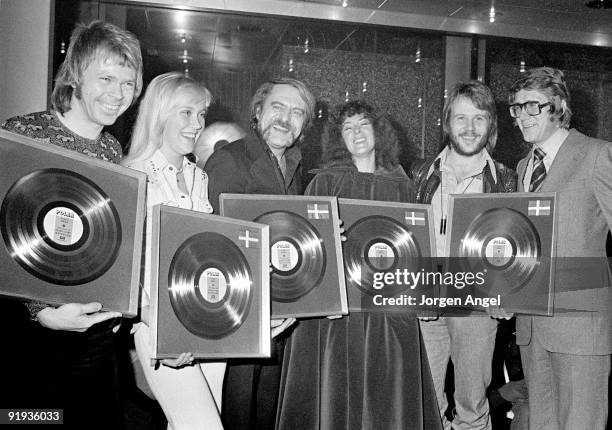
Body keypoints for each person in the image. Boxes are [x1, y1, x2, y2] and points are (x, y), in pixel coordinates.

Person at [1, 20, 142, 427]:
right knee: (27, 421)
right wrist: (39, 311)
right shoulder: (24, 133)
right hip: (31, 337)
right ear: (76, 74)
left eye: (128, 83)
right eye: (106, 78)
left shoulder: (114, 149)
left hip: (96, 336)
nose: (118, 95)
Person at [276, 100, 441, 430]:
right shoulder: (323, 183)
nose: (356, 134)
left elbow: (417, 247)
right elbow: (303, 249)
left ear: (378, 131)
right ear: (339, 138)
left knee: (386, 394)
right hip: (338, 314)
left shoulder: (403, 186)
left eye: (363, 125)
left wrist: (424, 294)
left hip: (387, 311)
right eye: (347, 128)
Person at [205, 77, 316, 430]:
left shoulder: (295, 167)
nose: (286, 119)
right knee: (237, 411)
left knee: (267, 409)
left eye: (297, 112)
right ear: (258, 111)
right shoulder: (229, 160)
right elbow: (214, 245)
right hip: (241, 311)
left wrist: (321, 238)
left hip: (280, 309)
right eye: (278, 107)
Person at [508, 66, 612, 430]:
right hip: (532, 327)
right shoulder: (523, 167)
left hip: (582, 326)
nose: (523, 116)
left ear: (559, 107)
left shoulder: (598, 155)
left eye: (532, 106)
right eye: (517, 108)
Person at [122, 71, 224, 430]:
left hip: (207, 325)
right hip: (157, 326)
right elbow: (122, 268)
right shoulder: (131, 175)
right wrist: (156, 320)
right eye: (186, 113)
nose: (197, 124)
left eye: (201, 114)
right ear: (160, 114)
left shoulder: (201, 177)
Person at [411, 81, 516, 430]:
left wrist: (507, 292)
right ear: (446, 122)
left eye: (479, 118)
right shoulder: (418, 174)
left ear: (491, 126)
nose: (469, 128)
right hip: (426, 300)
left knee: (472, 402)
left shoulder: (507, 180)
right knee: (425, 399)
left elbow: (519, 246)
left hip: (478, 304)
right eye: (460, 118)